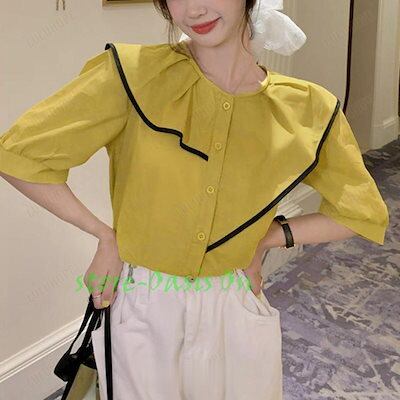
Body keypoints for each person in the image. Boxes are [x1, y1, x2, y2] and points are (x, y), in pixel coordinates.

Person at [0, 0, 389, 399]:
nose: (194, 9)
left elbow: (360, 214)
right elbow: (20, 156)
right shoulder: (132, 74)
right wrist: (105, 236)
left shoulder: (309, 108)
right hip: (144, 304)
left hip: (234, 302)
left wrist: (267, 238)